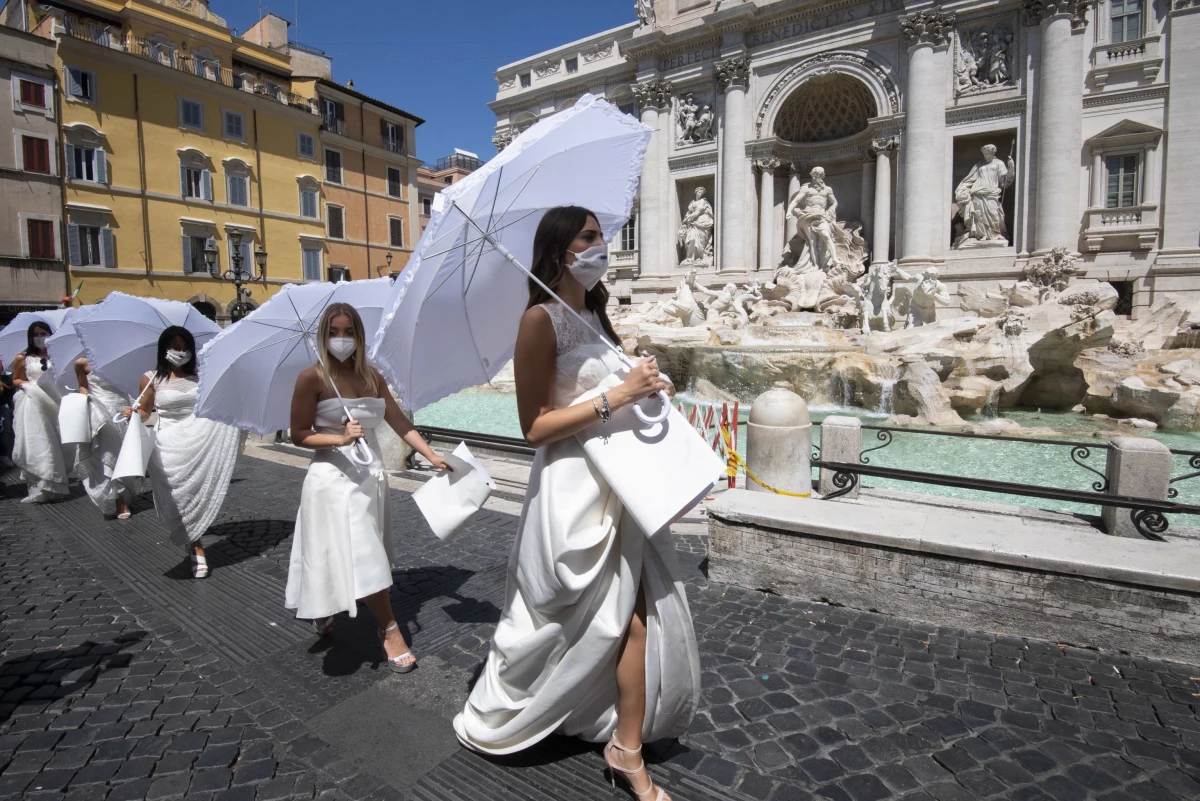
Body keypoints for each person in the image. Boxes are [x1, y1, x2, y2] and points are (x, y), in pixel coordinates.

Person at [454, 207, 700, 801]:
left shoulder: (592, 311)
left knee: (633, 619)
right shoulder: (539, 321)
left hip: (621, 484)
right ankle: (592, 730)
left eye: (601, 236)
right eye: (590, 238)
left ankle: (626, 746)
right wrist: (617, 394)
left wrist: (641, 384)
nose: (602, 246)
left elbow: (607, 395)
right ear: (562, 249)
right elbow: (534, 427)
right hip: (572, 489)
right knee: (589, 619)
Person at [286, 303, 450, 672]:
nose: (341, 339)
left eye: (348, 332)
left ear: (359, 337)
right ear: (323, 336)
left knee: (353, 549)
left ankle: (326, 604)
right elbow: (298, 435)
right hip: (331, 480)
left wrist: (432, 455)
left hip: (370, 477)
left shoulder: (372, 376)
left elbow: (398, 421)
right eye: (333, 332)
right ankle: (390, 629)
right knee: (363, 552)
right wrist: (338, 438)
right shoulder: (310, 378)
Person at [125, 326, 242, 578]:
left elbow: (213, 405)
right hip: (166, 442)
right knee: (178, 497)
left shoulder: (201, 376)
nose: (181, 352)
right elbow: (146, 413)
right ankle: (196, 544)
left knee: (192, 493)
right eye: (175, 347)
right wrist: (134, 413)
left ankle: (196, 544)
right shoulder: (151, 378)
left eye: (185, 348)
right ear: (164, 349)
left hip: (197, 436)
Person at [10, 322, 70, 503]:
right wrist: (25, 385)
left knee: (58, 442)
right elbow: (16, 378)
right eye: (36, 334)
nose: (40, 337)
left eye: (43, 333)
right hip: (33, 402)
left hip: (55, 400)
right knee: (40, 441)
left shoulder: (58, 356)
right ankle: (39, 484)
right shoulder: (23, 358)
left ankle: (56, 481)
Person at [72, 357, 133, 519]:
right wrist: (88, 399)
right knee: (108, 454)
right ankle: (118, 499)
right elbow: (83, 386)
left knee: (124, 455)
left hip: (124, 409)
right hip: (101, 411)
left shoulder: (125, 359)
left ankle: (124, 489)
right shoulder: (82, 363)